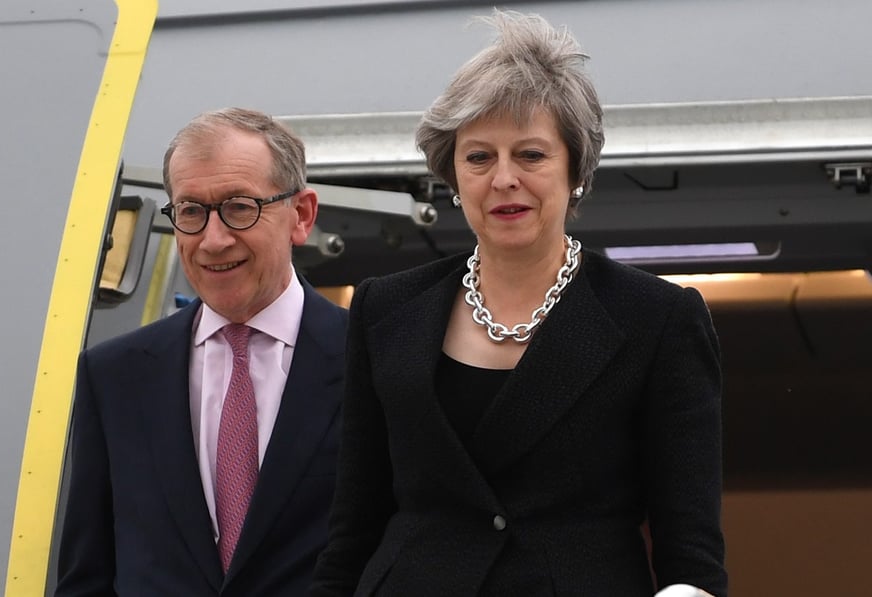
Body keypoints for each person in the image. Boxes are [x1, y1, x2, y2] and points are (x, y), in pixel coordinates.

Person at [310, 10, 726, 597]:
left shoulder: (657, 320)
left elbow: (693, 561)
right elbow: (351, 531)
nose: (504, 178)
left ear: (575, 169)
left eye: (530, 155)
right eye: (479, 157)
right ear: (453, 176)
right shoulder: (385, 309)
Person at [55, 108, 349, 596]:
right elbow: (89, 576)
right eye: (191, 211)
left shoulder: (376, 358)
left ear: (301, 215)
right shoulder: (114, 377)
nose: (213, 240)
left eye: (239, 207)